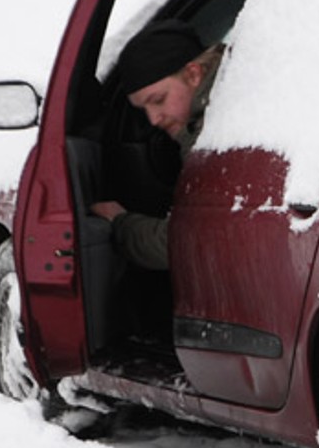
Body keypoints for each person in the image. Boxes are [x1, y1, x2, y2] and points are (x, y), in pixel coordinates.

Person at [89, 19, 223, 272]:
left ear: (193, 74)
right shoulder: (217, 110)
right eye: (144, 110)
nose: (154, 119)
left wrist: (120, 223)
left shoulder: (218, 130)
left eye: (158, 100)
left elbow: (190, 245)